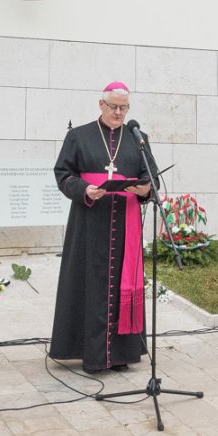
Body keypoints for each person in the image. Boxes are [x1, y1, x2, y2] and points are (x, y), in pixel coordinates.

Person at [50, 82, 154, 373]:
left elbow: (150, 178)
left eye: (124, 107)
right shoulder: (78, 135)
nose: (119, 112)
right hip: (89, 222)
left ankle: (121, 355)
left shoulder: (138, 138)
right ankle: (91, 353)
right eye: (113, 107)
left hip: (125, 225)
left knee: (122, 283)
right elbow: (62, 174)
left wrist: (143, 189)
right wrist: (84, 188)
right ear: (101, 104)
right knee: (89, 284)